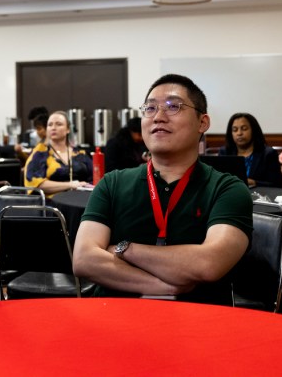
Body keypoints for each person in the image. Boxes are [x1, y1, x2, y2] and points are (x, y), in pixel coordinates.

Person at [73, 74, 252, 304]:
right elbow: (83, 259)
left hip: (199, 325)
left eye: (173, 106)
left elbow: (209, 263)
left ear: (202, 122)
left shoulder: (227, 189)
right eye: (149, 108)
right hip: (114, 321)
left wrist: (123, 248)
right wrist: (165, 286)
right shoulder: (112, 183)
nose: (158, 116)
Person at [24, 111, 92, 197]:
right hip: (52, 203)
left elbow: (94, 179)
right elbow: (35, 184)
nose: (53, 128)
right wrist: (70, 185)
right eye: (50, 125)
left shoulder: (80, 153)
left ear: (68, 129)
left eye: (58, 124)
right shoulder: (40, 153)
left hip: (81, 199)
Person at [218, 113, 282, 187]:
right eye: (235, 130)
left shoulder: (268, 154)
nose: (239, 133)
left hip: (261, 196)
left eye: (244, 129)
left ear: (254, 130)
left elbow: (276, 184)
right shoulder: (225, 152)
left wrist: (255, 183)